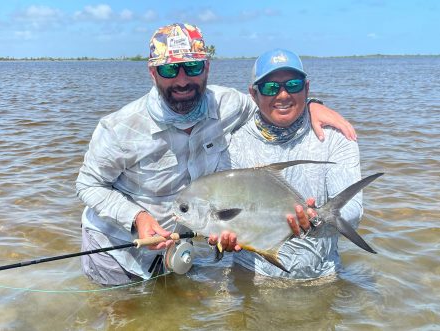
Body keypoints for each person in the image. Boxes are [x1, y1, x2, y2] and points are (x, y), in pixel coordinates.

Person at [76, 23, 356, 285]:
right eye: (170, 70)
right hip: (117, 253)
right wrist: (136, 217)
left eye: (193, 66)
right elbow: (88, 184)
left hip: (181, 250)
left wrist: (311, 106)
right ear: (152, 73)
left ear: (207, 67)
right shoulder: (119, 128)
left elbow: (275, 102)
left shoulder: (228, 105)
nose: (182, 80)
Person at [218, 48, 363, 279]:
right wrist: (218, 244)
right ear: (253, 94)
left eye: (293, 85)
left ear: (306, 88)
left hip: (320, 278)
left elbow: (352, 212)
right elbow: (220, 214)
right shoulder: (233, 142)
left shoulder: (335, 137)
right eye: (270, 88)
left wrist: (315, 221)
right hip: (250, 276)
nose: (283, 95)